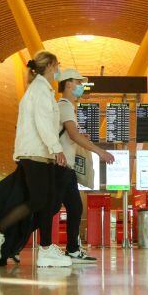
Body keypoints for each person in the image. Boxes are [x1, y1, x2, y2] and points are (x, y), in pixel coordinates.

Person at [0, 50, 72, 268]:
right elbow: (43, 123)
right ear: (49, 66)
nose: (59, 70)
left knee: (45, 204)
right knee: (38, 201)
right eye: (58, 65)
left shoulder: (41, 89)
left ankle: (46, 250)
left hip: (39, 154)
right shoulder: (39, 90)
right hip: (35, 154)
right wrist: (57, 149)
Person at [42, 68, 115, 264]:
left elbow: (71, 136)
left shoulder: (65, 107)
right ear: (67, 84)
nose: (81, 86)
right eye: (78, 82)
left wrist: (81, 139)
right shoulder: (64, 105)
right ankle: (31, 244)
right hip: (61, 167)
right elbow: (73, 135)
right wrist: (100, 151)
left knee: (74, 208)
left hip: (66, 168)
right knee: (52, 208)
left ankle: (72, 249)